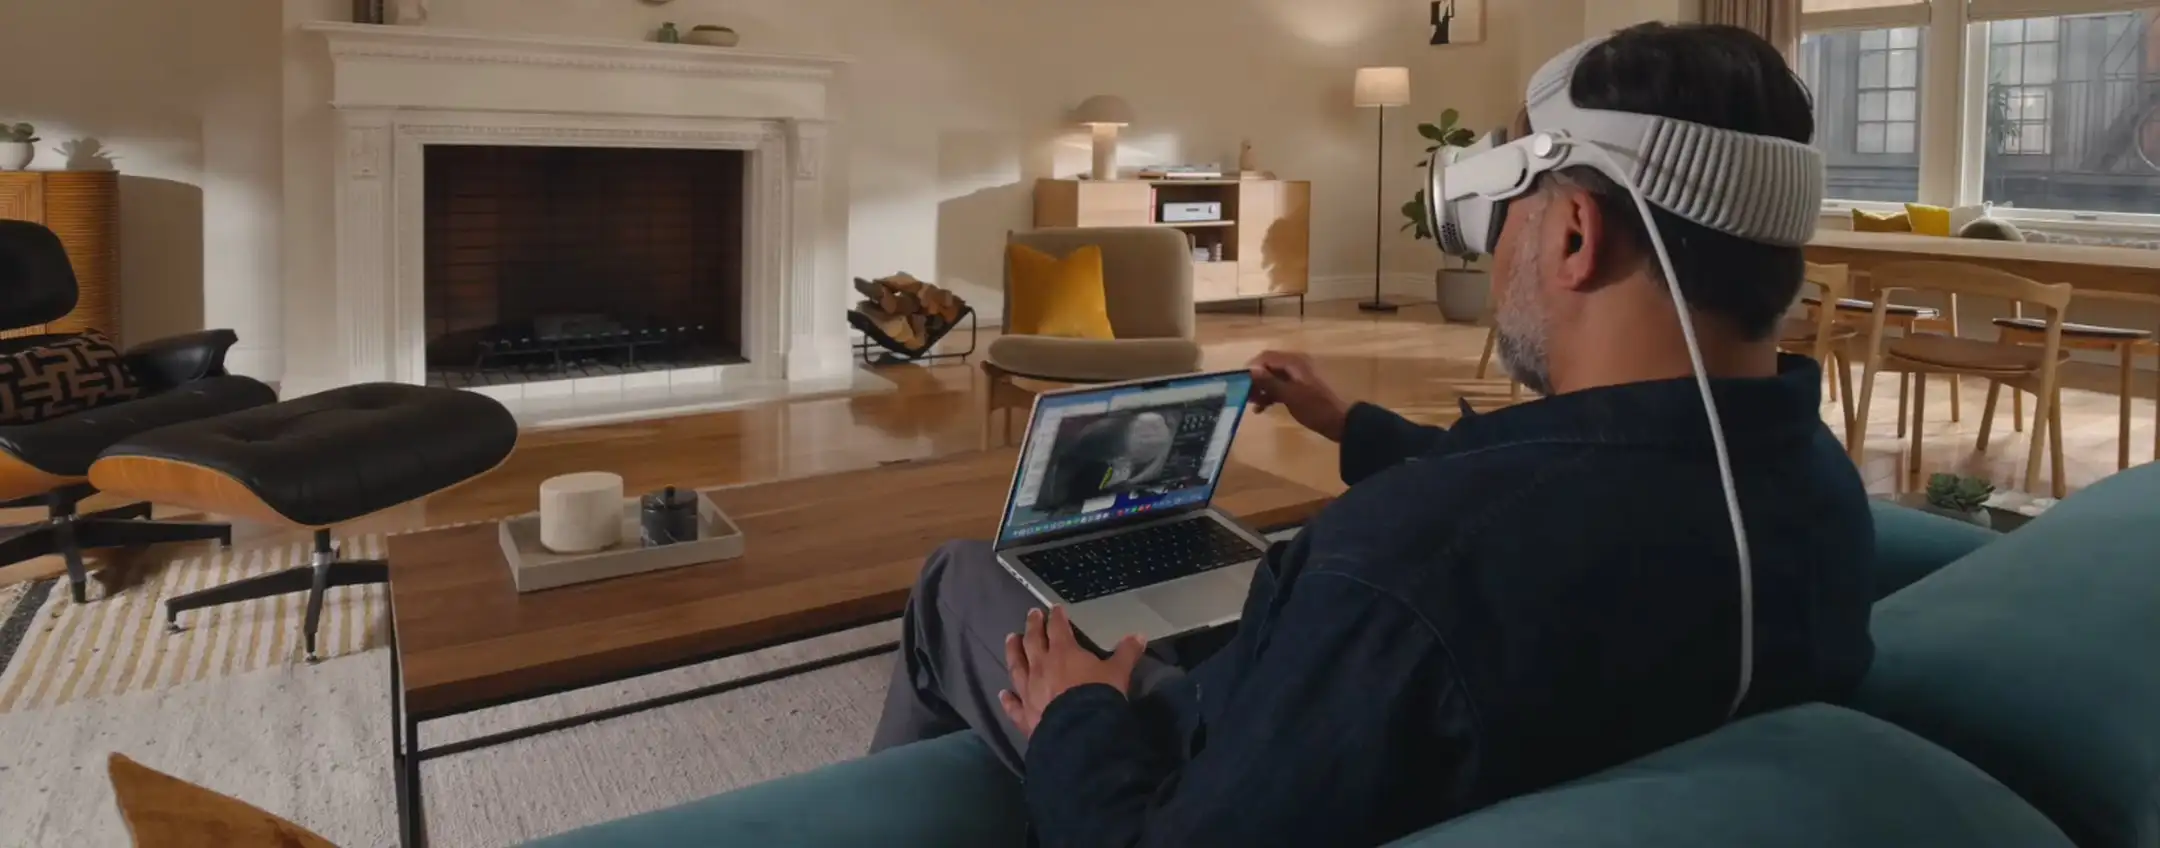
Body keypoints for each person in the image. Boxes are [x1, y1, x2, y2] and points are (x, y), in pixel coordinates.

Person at [870, 23, 1874, 848]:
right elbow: (1560, 495)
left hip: (1184, 766)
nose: (1497, 248)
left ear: (1576, 234)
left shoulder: (1398, 570)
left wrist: (1079, 714)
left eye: (1509, 207)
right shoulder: (1817, 493)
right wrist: (1353, 424)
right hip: (1319, 739)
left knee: (958, 581)